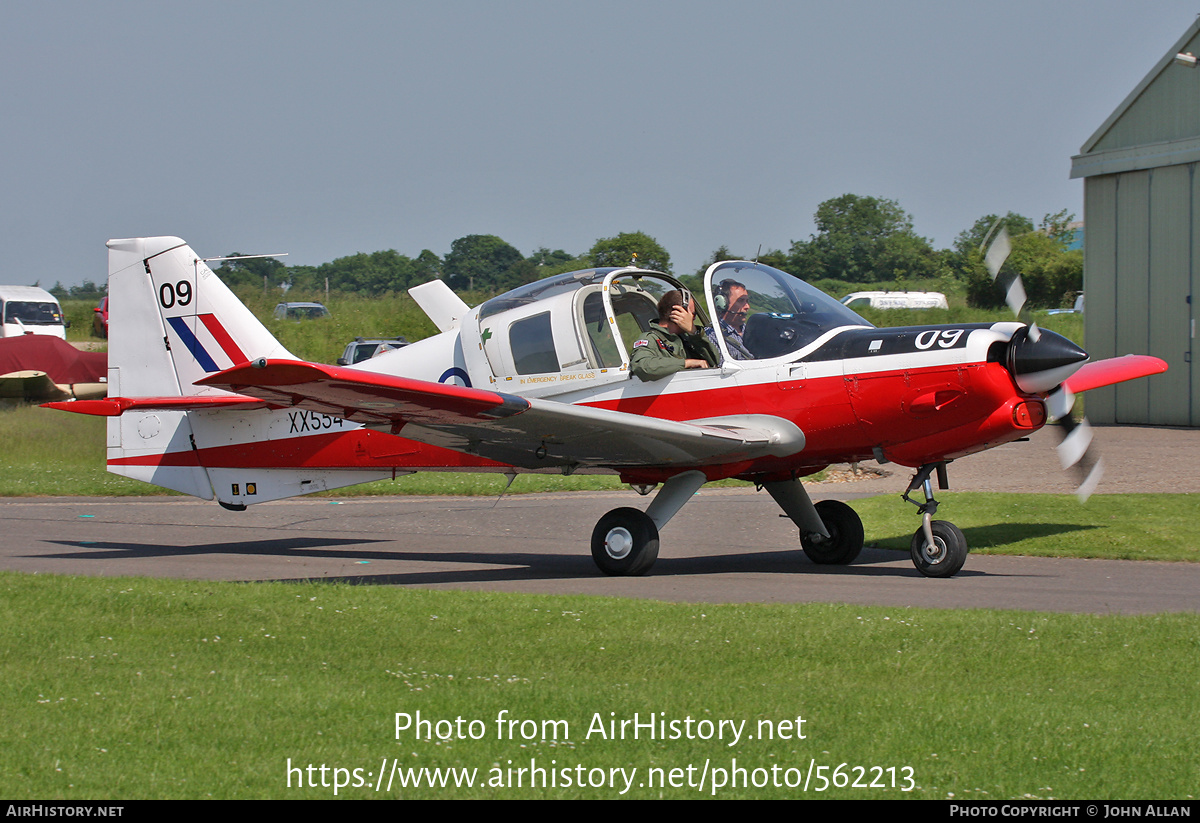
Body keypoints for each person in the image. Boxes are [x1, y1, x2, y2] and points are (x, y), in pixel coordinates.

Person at [629, 290, 718, 381]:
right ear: (678, 312)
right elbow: (642, 367)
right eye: (693, 314)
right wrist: (686, 363)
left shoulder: (687, 339)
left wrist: (694, 332)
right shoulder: (650, 339)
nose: (693, 318)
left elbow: (716, 363)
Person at [705, 279, 754, 360]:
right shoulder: (713, 335)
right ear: (723, 303)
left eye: (747, 301)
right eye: (741, 300)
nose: (747, 306)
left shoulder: (752, 330)